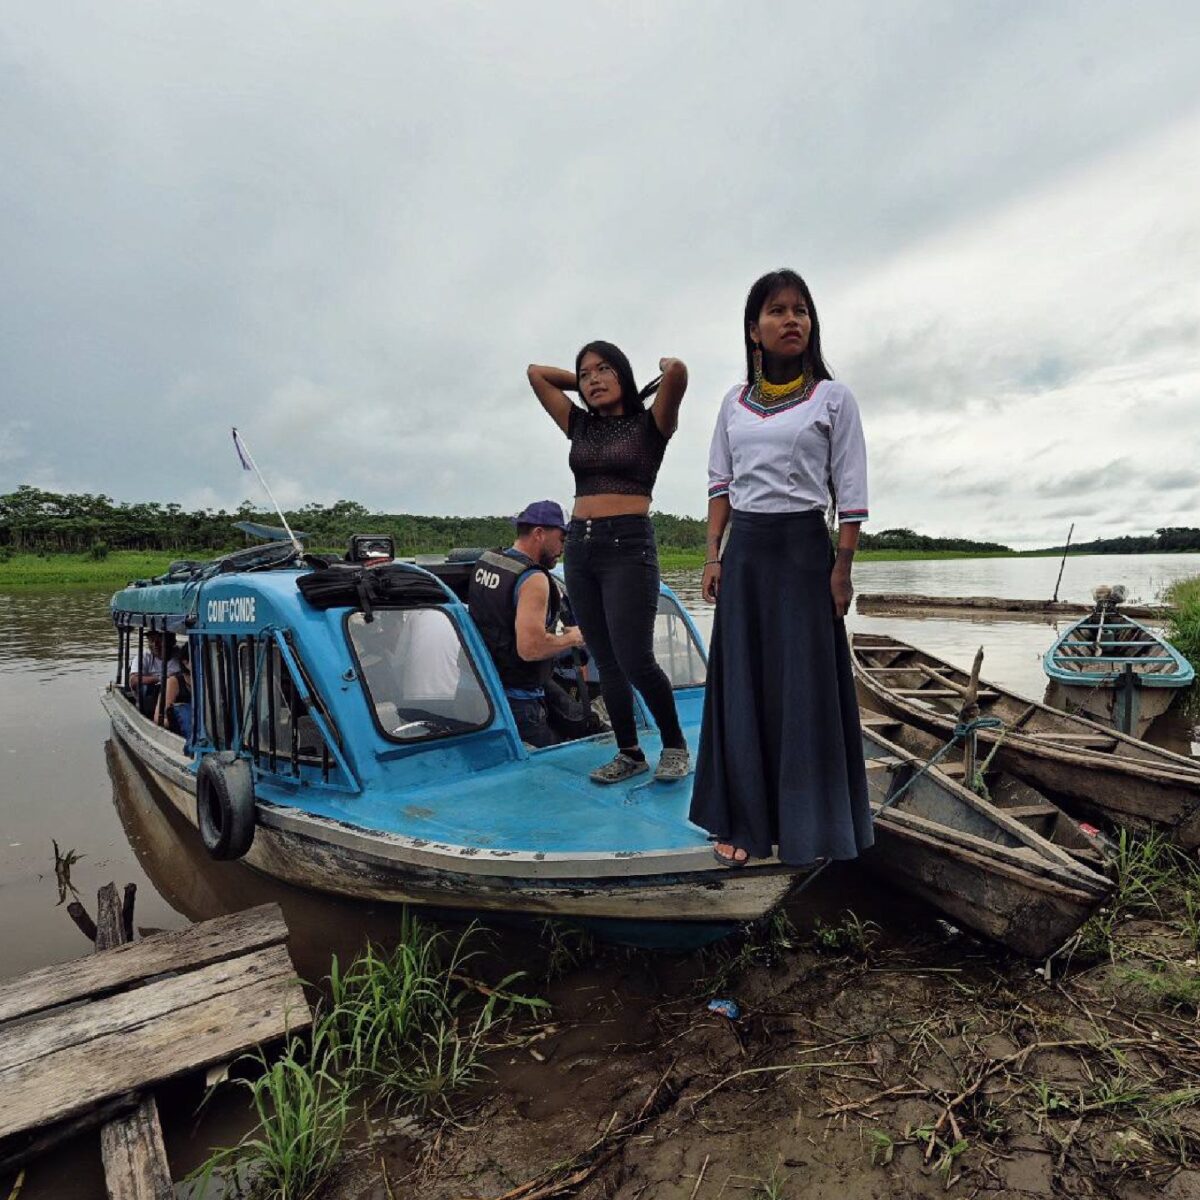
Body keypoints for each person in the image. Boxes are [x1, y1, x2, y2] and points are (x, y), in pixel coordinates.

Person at [689, 269, 874, 867]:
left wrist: (842, 568)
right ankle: (746, 823)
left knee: (804, 689)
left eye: (800, 310)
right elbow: (721, 483)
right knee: (743, 686)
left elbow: (850, 490)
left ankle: (810, 828)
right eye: (777, 311)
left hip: (803, 555)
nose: (791, 320)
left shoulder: (833, 398)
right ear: (754, 329)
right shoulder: (733, 403)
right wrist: (713, 555)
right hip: (746, 555)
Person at [527, 345, 689, 783]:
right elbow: (537, 373)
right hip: (581, 548)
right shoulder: (579, 424)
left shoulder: (651, 424)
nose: (593, 379)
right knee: (605, 659)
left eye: (603, 370)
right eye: (585, 374)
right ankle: (629, 753)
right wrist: (581, 386)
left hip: (628, 546)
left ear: (623, 374)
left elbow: (677, 373)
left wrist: (659, 368)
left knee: (636, 658)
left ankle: (674, 745)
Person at [468, 500, 586, 747]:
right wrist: (573, 637)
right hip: (519, 698)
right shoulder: (533, 579)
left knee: (579, 719)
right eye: (562, 538)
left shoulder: (488, 561)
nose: (563, 547)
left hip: (484, 690)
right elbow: (531, 649)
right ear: (539, 533)